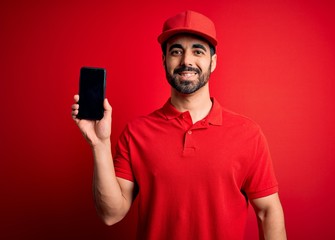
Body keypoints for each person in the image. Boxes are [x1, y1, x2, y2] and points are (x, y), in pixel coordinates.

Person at [72, 10, 286, 240]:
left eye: (198, 51)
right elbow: (110, 214)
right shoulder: (136, 133)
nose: (186, 61)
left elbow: (268, 211)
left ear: (213, 62)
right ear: (164, 60)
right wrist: (99, 143)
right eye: (176, 51)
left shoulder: (248, 134)